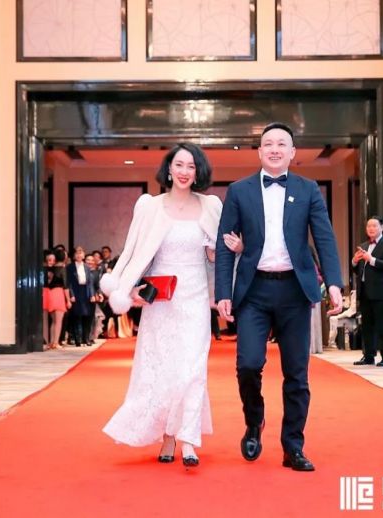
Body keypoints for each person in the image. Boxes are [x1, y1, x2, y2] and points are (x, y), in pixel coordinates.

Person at [215, 122, 344, 472]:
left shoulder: (308, 189)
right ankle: (254, 421)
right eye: (268, 144)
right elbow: (224, 246)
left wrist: (334, 283)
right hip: (253, 291)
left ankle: (293, 446)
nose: (274, 149)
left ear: (292, 153)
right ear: (259, 151)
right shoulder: (239, 191)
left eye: (281, 144)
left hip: (294, 291)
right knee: (247, 365)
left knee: (296, 374)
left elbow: (325, 238)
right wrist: (222, 292)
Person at [101, 143, 224, 468]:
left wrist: (220, 253)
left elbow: (218, 257)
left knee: (192, 369)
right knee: (165, 368)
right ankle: (167, 436)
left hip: (195, 299)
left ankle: (188, 440)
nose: (184, 172)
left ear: (198, 172)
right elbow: (135, 253)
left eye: (191, 166)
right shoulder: (150, 207)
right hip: (162, 301)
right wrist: (130, 289)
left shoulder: (211, 206)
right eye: (179, 165)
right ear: (168, 169)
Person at [351, 216, 383, 367]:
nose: (371, 228)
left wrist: (371, 260)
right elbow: (358, 270)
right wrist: (354, 261)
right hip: (364, 291)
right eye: (368, 226)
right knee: (367, 326)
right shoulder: (363, 245)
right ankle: (368, 356)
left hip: (381, 291)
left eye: (374, 226)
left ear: (382, 227)